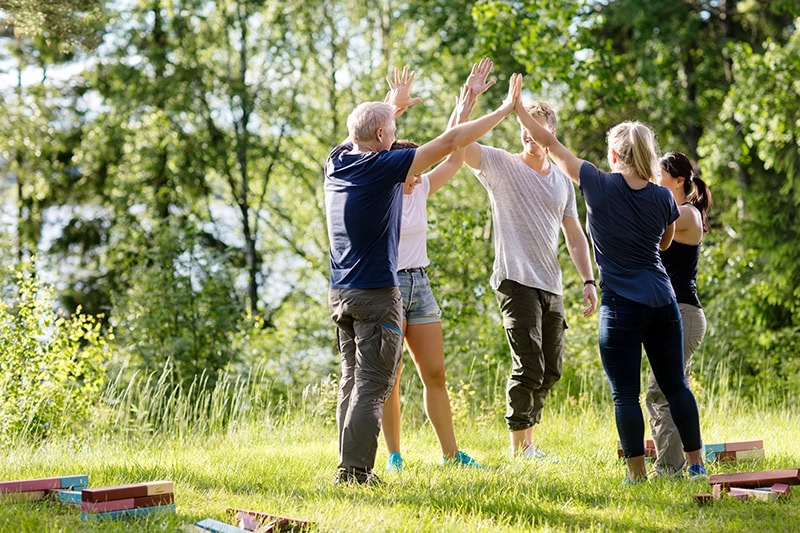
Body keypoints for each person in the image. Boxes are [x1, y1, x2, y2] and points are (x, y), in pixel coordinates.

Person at [325, 65, 521, 485]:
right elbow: (452, 142)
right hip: (376, 291)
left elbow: (363, 130)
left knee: (352, 379)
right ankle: (355, 472)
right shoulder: (384, 168)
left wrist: (391, 104)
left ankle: (347, 465)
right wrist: (506, 108)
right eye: (392, 127)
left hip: (341, 291)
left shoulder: (337, 161)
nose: (395, 133)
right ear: (382, 138)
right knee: (375, 385)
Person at [514, 105, 706, 483]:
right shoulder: (664, 198)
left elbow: (549, 142)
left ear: (615, 154)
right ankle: (697, 466)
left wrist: (518, 108)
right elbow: (665, 243)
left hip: (621, 304)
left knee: (625, 395)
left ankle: (636, 475)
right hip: (664, 301)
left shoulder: (596, 183)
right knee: (676, 386)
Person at [459, 99, 597, 459]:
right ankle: (520, 448)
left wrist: (588, 279)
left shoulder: (562, 183)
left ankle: (528, 444)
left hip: (550, 284)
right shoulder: (501, 165)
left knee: (551, 369)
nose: (527, 135)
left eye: (535, 130)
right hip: (514, 279)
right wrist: (471, 104)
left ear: (551, 134)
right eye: (523, 128)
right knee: (529, 364)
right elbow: (457, 142)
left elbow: (574, 234)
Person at [381, 59, 496, 472]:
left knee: (436, 373)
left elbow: (451, 149)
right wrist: (389, 107)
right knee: (389, 379)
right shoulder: (384, 193)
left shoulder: (423, 186)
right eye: (411, 169)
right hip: (387, 288)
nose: (418, 174)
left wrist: (467, 101)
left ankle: (452, 455)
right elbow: (364, 142)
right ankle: (394, 456)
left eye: (419, 168)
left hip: (420, 286)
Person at [646, 151, 713, 477]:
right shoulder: (679, 211)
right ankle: (691, 464)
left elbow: (651, 234)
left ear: (677, 180)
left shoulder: (686, 215)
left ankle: (669, 469)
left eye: (658, 174)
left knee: (660, 391)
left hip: (683, 313)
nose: (653, 179)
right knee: (672, 389)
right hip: (677, 313)